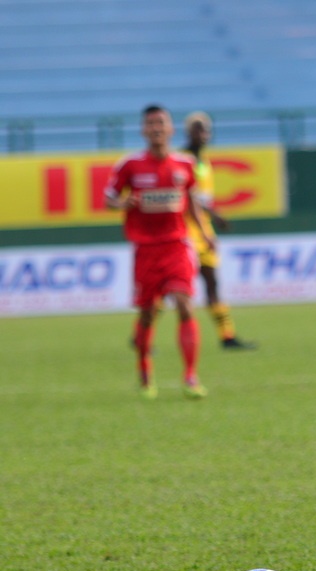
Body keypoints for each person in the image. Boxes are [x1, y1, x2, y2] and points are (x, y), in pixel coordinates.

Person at [105, 104, 211, 400]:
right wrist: (122, 204)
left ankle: (190, 377)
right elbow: (109, 198)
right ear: (143, 130)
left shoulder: (185, 165)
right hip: (146, 249)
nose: (156, 128)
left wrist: (203, 233)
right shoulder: (130, 166)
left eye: (160, 123)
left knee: (184, 304)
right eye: (150, 123)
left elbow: (191, 201)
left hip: (176, 244)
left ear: (170, 129)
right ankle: (144, 371)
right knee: (149, 313)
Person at [182, 111, 258, 350]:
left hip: (202, 228)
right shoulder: (181, 159)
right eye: (198, 129)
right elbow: (187, 196)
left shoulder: (203, 161)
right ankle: (142, 334)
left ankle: (227, 336)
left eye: (206, 130)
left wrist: (210, 218)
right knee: (172, 286)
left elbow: (200, 197)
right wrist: (215, 215)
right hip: (184, 229)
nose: (203, 134)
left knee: (211, 281)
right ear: (189, 132)